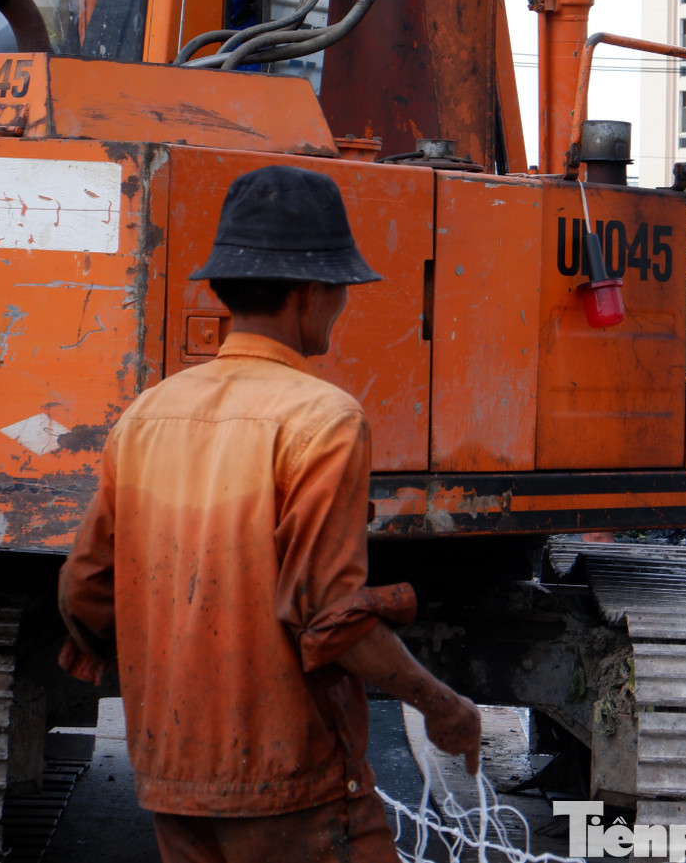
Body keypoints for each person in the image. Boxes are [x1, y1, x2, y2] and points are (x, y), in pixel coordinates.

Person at [57, 165, 482, 862]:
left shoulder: (143, 417)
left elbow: (83, 590)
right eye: (341, 291)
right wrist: (443, 704)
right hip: (295, 788)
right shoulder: (324, 420)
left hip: (170, 782)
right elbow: (328, 613)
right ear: (312, 295)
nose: (341, 307)